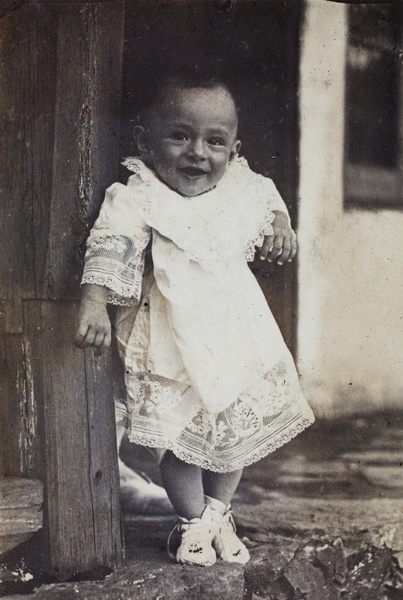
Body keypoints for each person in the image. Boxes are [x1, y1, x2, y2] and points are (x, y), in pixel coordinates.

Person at [74, 74, 315, 567]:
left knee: (231, 429)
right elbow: (110, 243)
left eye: (214, 142)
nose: (197, 154)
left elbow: (268, 202)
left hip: (234, 331)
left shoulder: (241, 185)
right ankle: (192, 524)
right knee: (182, 436)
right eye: (179, 136)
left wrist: (282, 227)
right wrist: (94, 300)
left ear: (234, 148)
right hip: (170, 335)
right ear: (145, 140)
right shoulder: (139, 194)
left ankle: (218, 514)